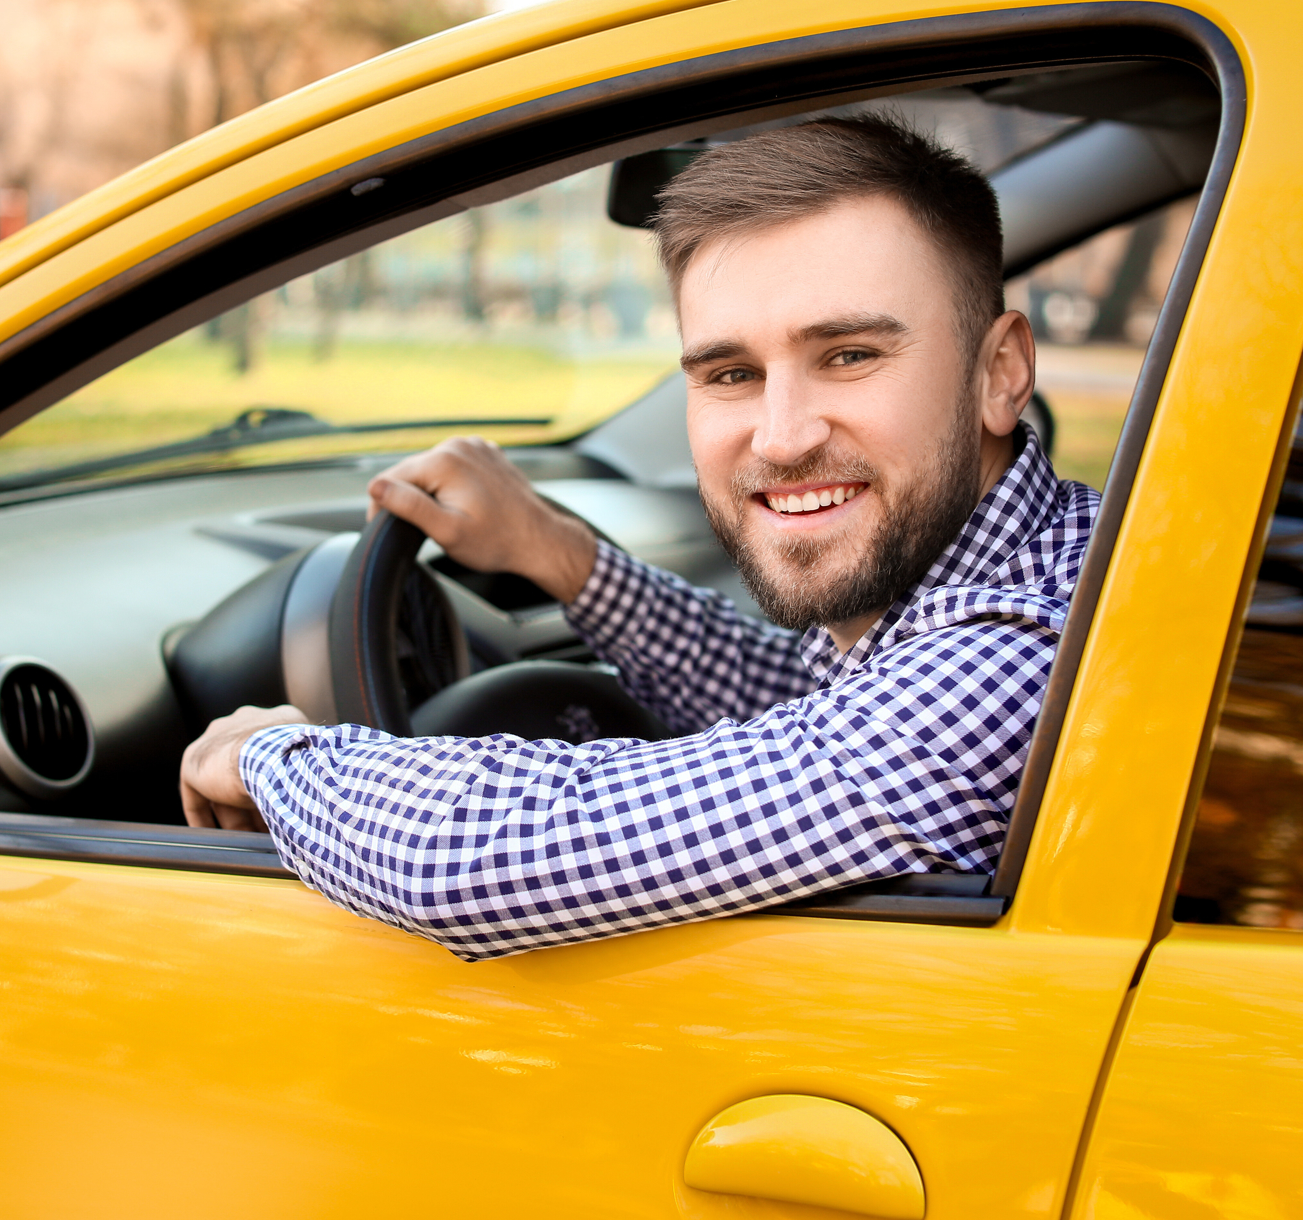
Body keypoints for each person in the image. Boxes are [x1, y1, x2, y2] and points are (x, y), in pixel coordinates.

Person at [179, 114, 1099, 960]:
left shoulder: (1020, 656)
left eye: (850, 356)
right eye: (731, 373)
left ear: (1001, 371)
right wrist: (565, 560)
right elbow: (793, 710)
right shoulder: (1017, 574)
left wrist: (273, 758)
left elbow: (479, 861)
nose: (782, 436)